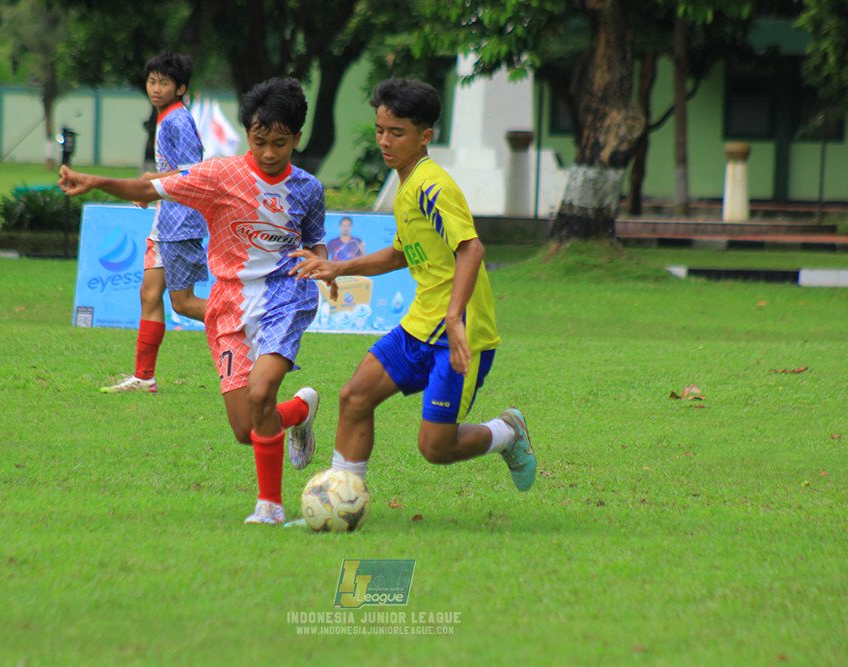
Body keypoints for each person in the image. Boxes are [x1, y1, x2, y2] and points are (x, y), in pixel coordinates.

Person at [59, 77, 331, 524]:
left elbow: (315, 240)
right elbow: (150, 190)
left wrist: (323, 265)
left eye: (280, 144)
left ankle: (269, 507)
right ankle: (301, 409)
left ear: (297, 138)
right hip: (229, 305)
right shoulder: (220, 176)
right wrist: (94, 181)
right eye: (260, 141)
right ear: (247, 133)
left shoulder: (308, 189)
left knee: (262, 391)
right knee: (245, 428)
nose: (268, 153)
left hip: (285, 297)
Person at [290, 78, 536, 492]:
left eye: (397, 133)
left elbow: (471, 249)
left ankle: (507, 432)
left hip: (458, 333)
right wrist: (337, 268)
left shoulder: (431, 185)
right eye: (380, 130)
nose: (384, 142)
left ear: (425, 136)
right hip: (422, 322)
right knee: (354, 396)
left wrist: (454, 317)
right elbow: (400, 254)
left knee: (435, 447)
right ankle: (343, 497)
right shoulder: (407, 183)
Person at [101, 50, 209, 394]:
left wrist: (151, 182)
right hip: (165, 222)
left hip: (182, 223)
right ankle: (144, 377)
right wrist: (152, 190)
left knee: (183, 303)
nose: (156, 88)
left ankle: (247, 324)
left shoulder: (179, 120)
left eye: (164, 83)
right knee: (149, 295)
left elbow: (193, 173)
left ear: (181, 88)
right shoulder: (165, 118)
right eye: (152, 81)